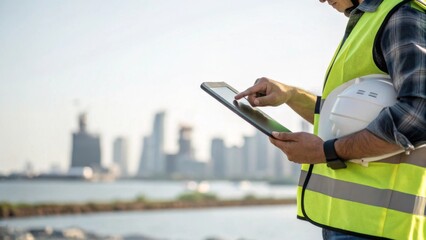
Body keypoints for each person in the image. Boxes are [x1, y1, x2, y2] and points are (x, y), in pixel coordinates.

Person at [235, 0, 425, 239]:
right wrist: (291, 95)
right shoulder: (370, 22)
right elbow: (342, 116)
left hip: (381, 228)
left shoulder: (401, 16)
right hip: (353, 225)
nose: (321, 0)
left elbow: (419, 115)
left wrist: (326, 152)